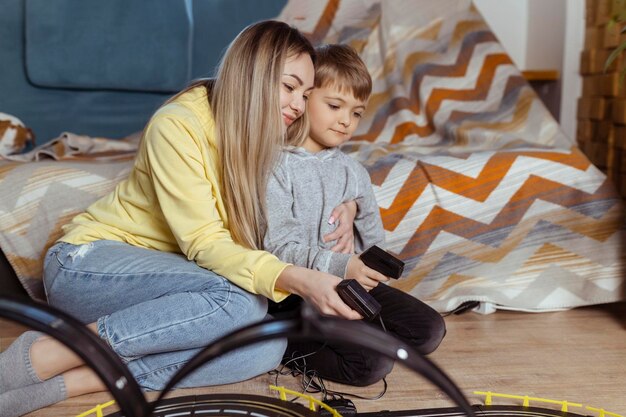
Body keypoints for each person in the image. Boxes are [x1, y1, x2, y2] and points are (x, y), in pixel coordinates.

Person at [0, 21, 363, 417]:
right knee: (238, 301)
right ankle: (53, 350)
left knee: (267, 345)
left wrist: (350, 205)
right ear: (253, 75)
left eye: (306, 94)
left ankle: (84, 378)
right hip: (87, 267)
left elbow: (317, 174)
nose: (298, 104)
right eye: (289, 86)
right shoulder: (179, 123)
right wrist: (300, 278)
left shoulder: (266, 135)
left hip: (172, 285)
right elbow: (205, 243)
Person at [263, 44, 446, 387]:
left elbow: (375, 242)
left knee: (429, 331)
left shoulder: (353, 172)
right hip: (299, 294)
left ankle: (355, 334)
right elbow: (279, 249)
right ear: (304, 99)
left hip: (348, 284)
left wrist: (356, 213)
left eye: (357, 113)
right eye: (334, 106)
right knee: (368, 366)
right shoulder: (275, 166)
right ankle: (285, 343)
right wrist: (339, 265)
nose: (347, 121)